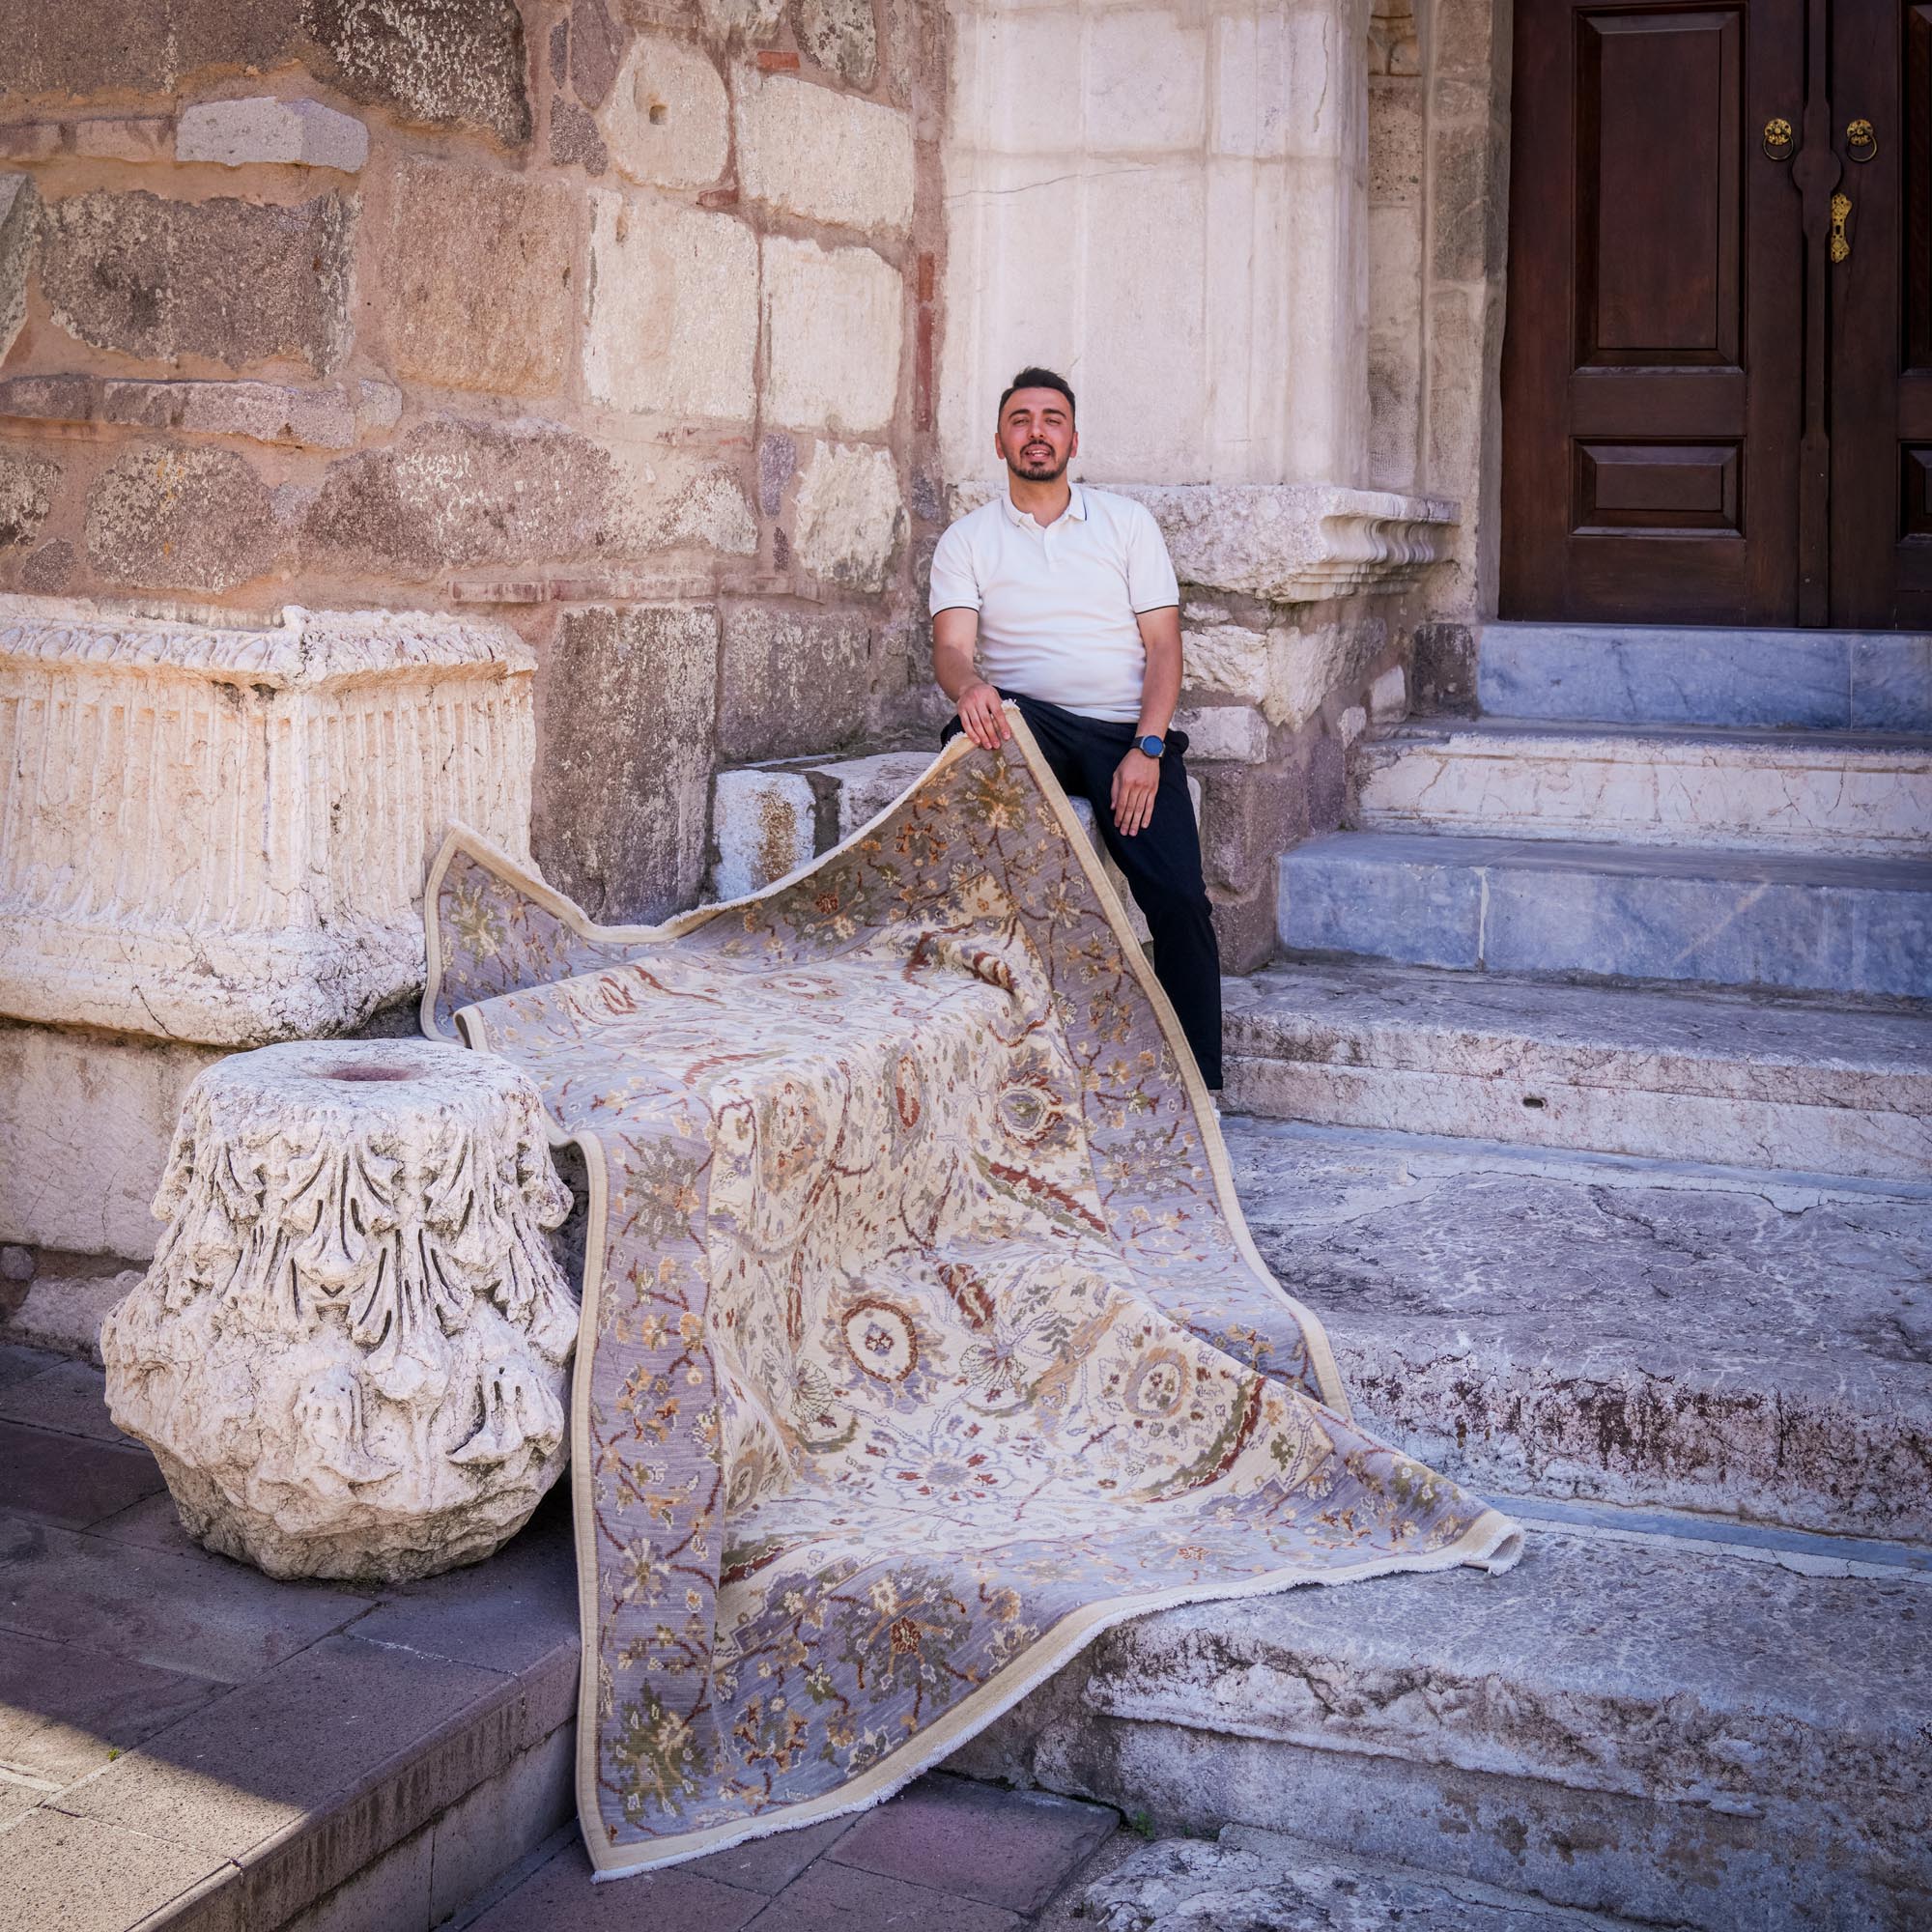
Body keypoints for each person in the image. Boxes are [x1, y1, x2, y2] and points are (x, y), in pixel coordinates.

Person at [928, 365, 1223, 1091]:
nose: (1037, 432)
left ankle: (1196, 1086)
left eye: (1051, 419)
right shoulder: (967, 539)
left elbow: (1164, 647)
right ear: (1000, 441)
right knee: (970, 735)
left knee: (1180, 899)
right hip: (1029, 723)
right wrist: (970, 687)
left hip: (1125, 734)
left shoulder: (1126, 524)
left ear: (1073, 439)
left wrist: (1149, 746)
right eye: (1021, 420)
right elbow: (952, 650)